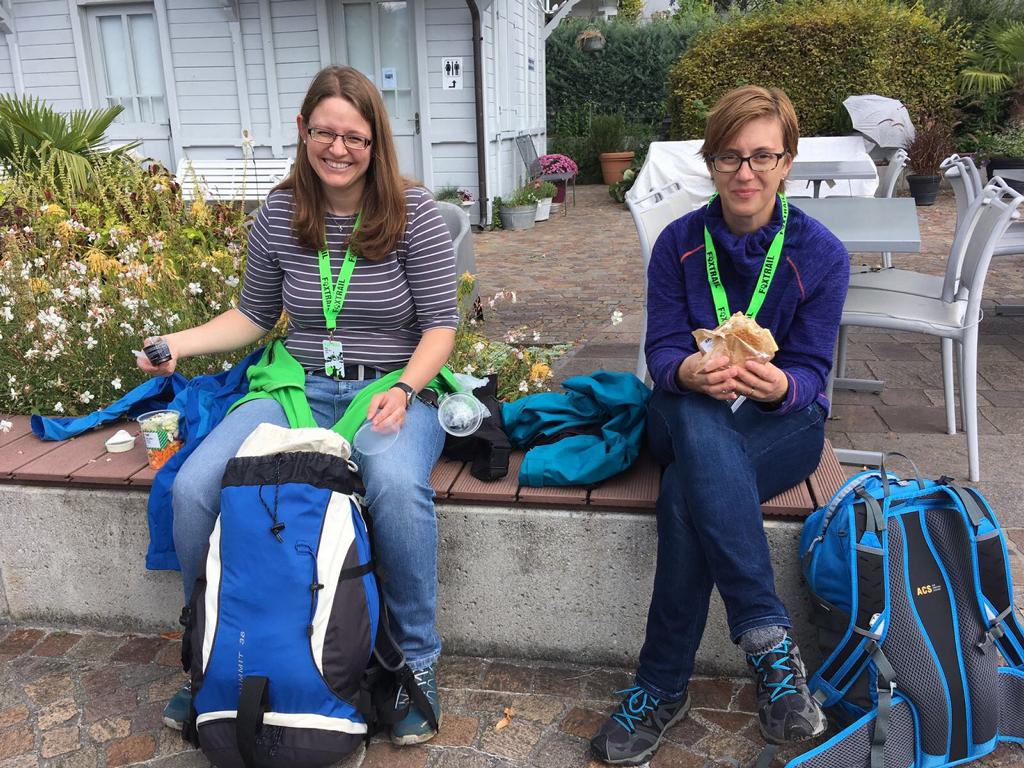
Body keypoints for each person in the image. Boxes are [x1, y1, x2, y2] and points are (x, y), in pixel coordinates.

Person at [139, 66, 458, 746]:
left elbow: (440, 326)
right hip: (296, 387)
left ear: (375, 141)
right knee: (195, 487)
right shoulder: (280, 213)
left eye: (355, 137)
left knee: (394, 485)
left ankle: (416, 661)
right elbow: (253, 315)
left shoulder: (413, 211)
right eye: (324, 133)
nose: (338, 149)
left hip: (391, 387)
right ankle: (209, 649)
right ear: (302, 130)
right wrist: (176, 344)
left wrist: (405, 390)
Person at [590, 85, 849, 765]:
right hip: (685, 411)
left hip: (779, 424)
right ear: (710, 163)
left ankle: (659, 687)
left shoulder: (820, 253)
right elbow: (661, 352)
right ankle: (770, 645)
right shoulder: (678, 243)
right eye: (730, 156)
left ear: (787, 162)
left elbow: (813, 370)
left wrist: (784, 385)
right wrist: (685, 371)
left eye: (763, 156)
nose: (745, 172)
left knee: (687, 490)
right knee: (699, 423)